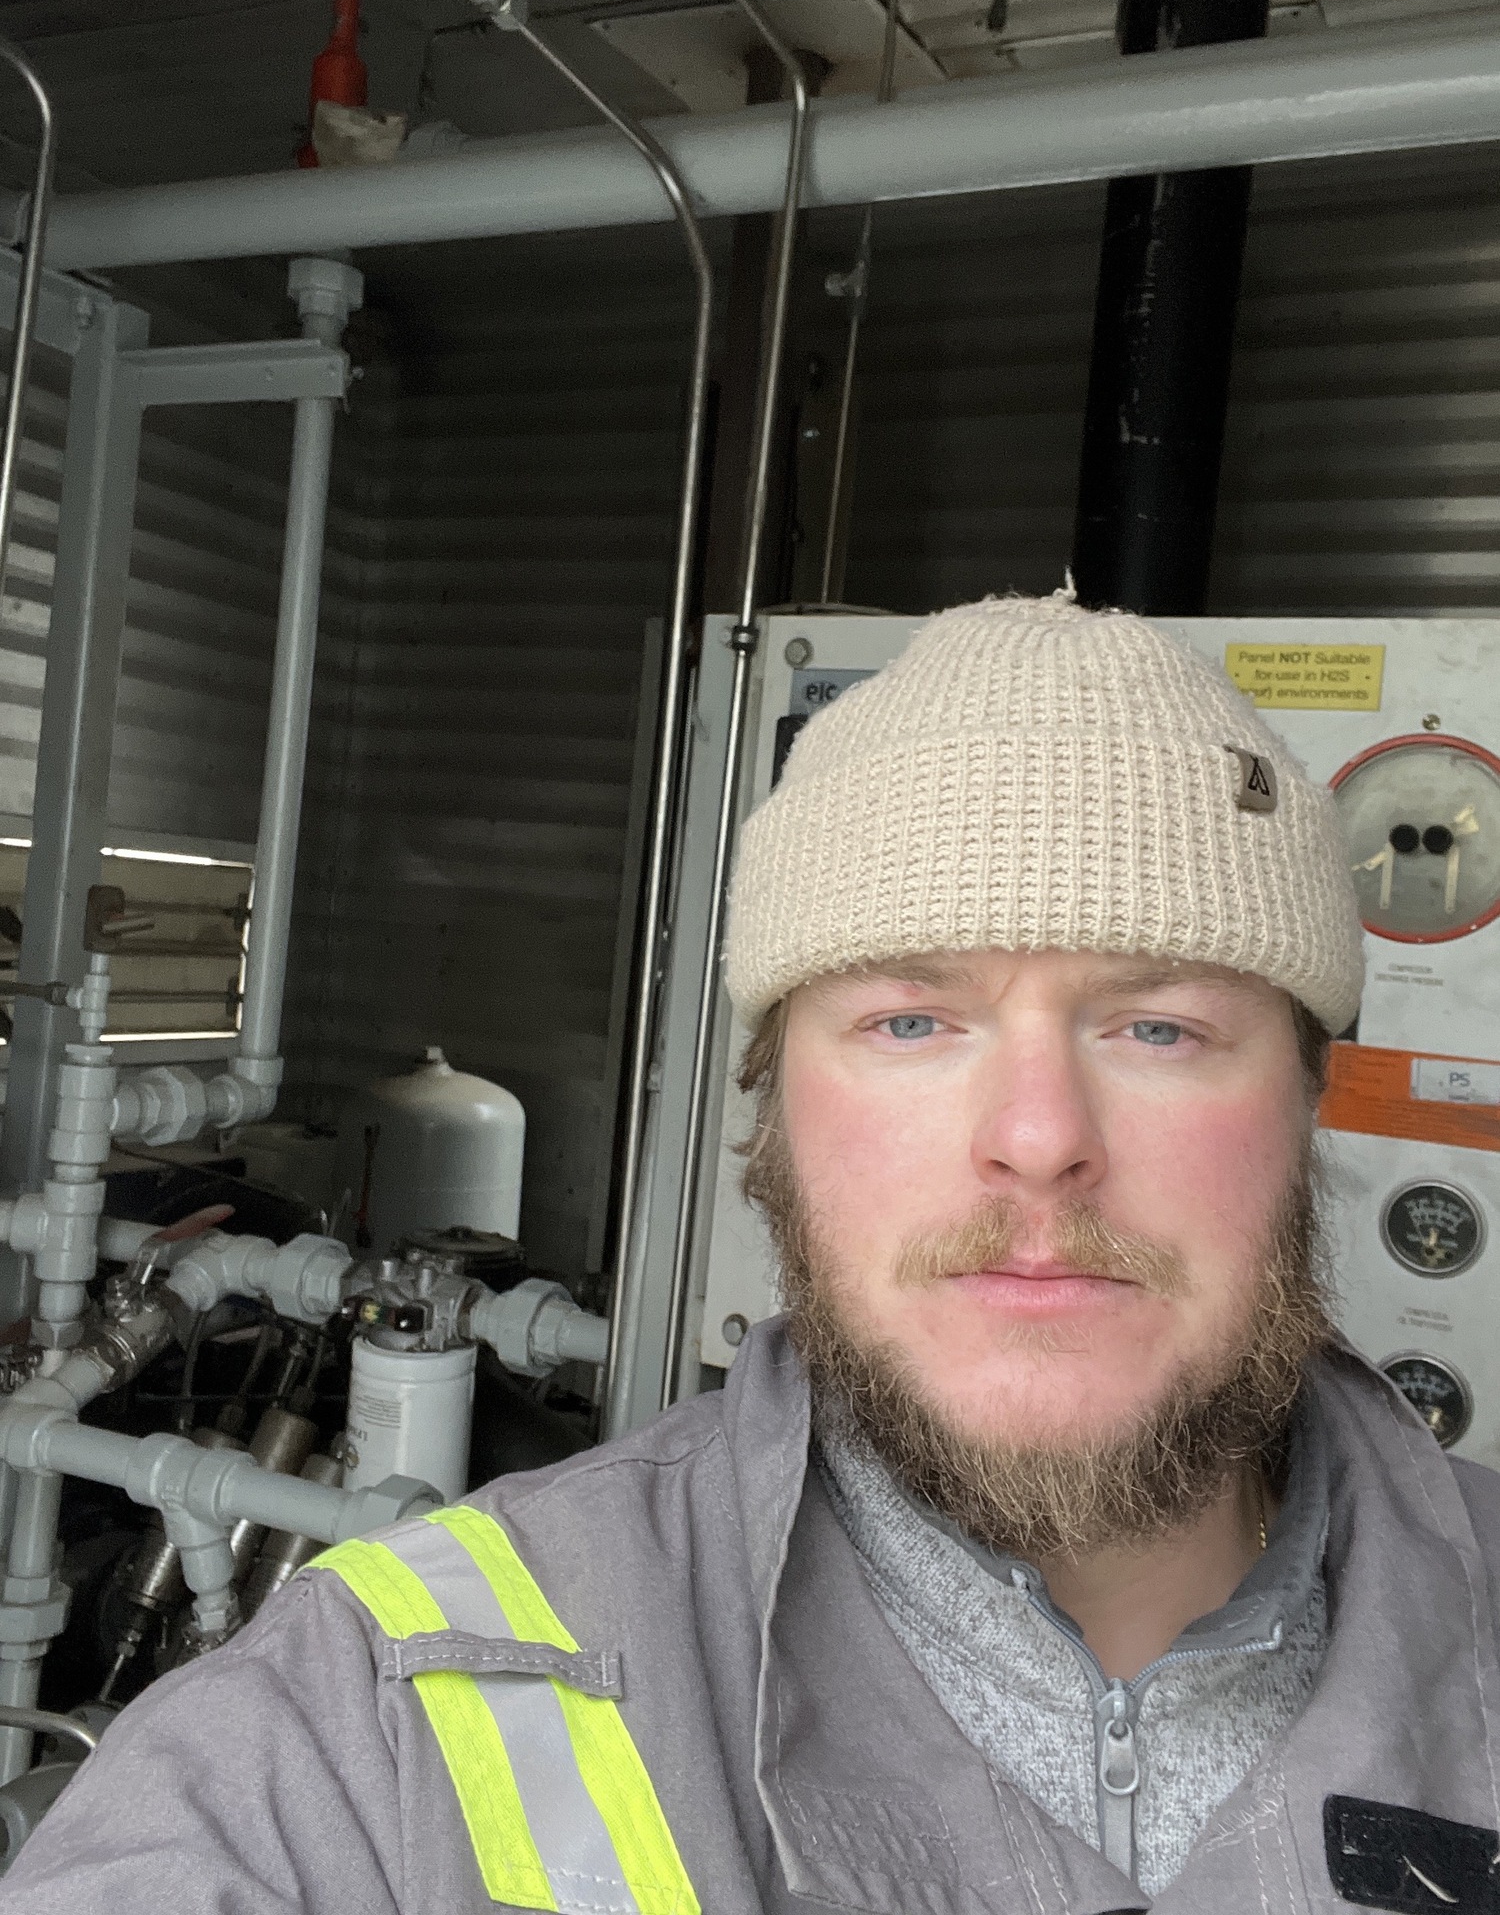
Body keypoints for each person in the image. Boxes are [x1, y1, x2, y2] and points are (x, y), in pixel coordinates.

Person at [5, 589, 1497, 1915]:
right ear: (769, 1117)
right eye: (911, 1020)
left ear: (1309, 1106)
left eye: (1159, 1028)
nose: (1041, 1137)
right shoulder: (366, 1725)